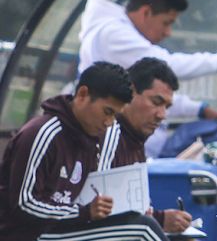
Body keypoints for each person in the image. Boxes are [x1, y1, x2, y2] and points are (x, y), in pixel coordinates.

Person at [0, 62, 168, 241]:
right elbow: (24, 204)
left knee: (141, 223)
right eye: (107, 111)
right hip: (28, 235)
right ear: (82, 95)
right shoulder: (43, 133)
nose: (110, 122)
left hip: (62, 231)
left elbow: (85, 200)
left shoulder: (90, 140)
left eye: (115, 115)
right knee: (143, 230)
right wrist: (84, 212)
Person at [78, 0, 217, 157]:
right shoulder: (113, 35)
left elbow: (153, 93)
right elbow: (170, 66)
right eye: (166, 23)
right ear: (146, 13)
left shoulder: (115, 32)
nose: (168, 32)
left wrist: (201, 109)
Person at [99, 57, 192, 234]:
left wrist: (161, 217)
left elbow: (132, 210)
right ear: (131, 92)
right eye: (156, 102)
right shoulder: (110, 134)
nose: (162, 115)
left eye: (167, 106)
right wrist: (161, 220)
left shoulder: (135, 139)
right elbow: (103, 215)